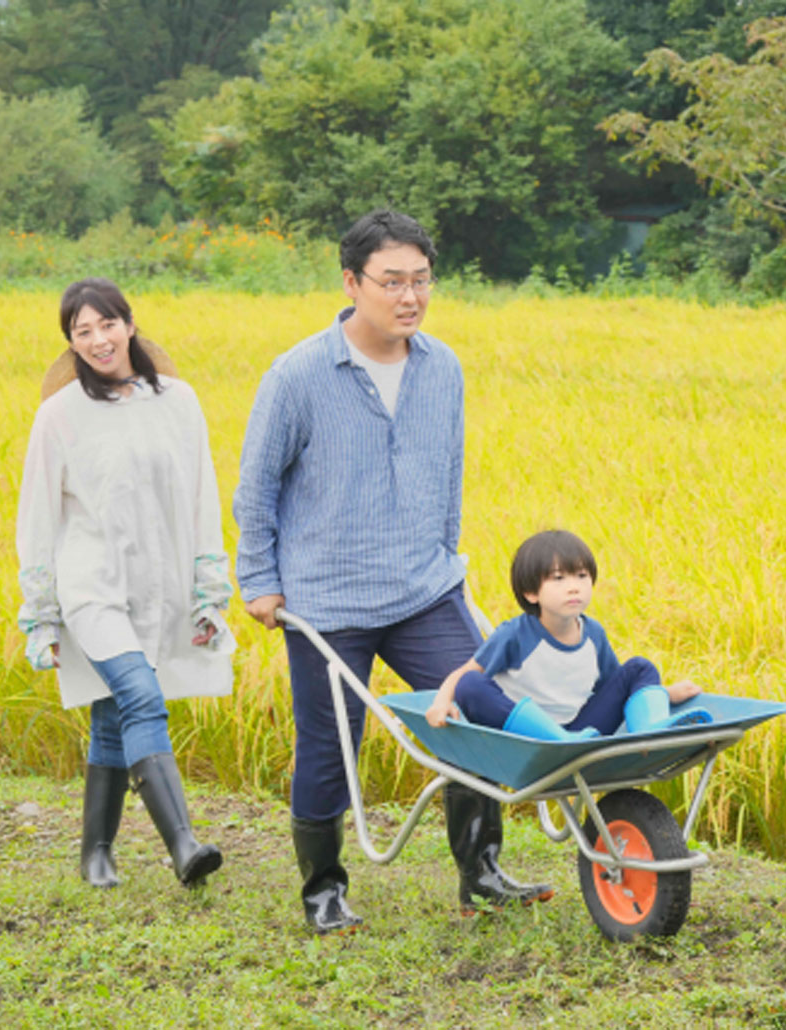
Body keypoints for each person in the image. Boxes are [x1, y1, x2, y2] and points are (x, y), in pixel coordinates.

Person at [233, 209, 551, 933]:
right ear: (352, 282)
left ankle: (482, 871)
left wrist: (446, 554)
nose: (409, 297)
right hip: (327, 599)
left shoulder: (443, 367)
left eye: (421, 281)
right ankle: (323, 889)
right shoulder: (299, 374)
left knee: (477, 709)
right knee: (330, 742)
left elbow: (448, 473)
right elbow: (256, 487)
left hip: (422, 590)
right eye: (392, 282)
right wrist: (259, 580)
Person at [16, 277, 233, 891]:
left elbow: (201, 498)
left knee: (113, 716)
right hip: (92, 587)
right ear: (72, 343)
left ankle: (96, 853)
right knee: (140, 697)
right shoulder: (58, 416)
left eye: (106, 324)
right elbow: (37, 518)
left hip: (159, 585)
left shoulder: (179, 401)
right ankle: (183, 844)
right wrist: (41, 616)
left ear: (129, 325)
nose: (97, 339)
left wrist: (209, 592)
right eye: (81, 331)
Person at [425, 530, 710, 739]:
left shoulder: (593, 634)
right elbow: (461, 675)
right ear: (531, 593)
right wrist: (441, 703)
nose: (574, 587)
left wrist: (664, 694)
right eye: (559, 579)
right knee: (472, 684)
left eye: (582, 576)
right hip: (529, 738)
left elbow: (613, 686)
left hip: (580, 731)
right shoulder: (515, 635)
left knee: (639, 668)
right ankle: (558, 742)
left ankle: (651, 729)